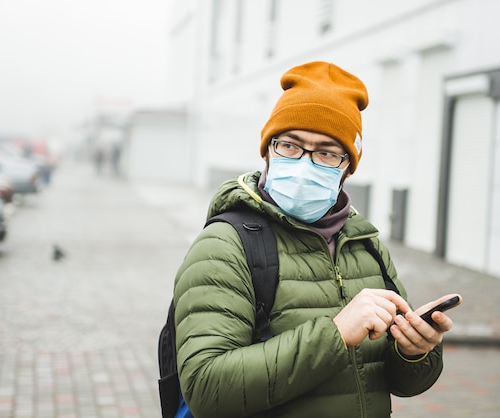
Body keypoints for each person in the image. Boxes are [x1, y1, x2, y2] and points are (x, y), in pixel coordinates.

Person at [173, 61, 459, 418]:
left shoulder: (365, 245)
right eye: (290, 145)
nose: (305, 163)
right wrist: (335, 335)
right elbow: (206, 390)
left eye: (326, 152)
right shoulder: (225, 245)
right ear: (267, 151)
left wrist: (415, 351)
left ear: (347, 166)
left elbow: (400, 383)